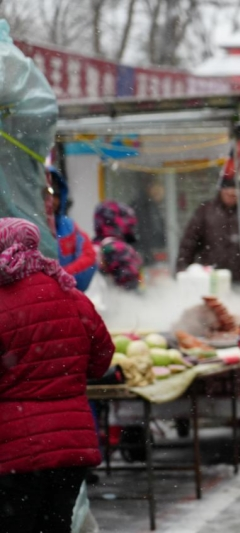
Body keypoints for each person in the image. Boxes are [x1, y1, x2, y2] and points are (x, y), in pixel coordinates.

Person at [0, 218, 114, 533]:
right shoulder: (70, 293)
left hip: (14, 447)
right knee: (56, 524)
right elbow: (102, 356)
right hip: (70, 444)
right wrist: (74, 373)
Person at [177, 165, 240, 293]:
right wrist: (182, 271)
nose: (231, 192)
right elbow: (188, 245)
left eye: (235, 188)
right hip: (212, 283)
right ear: (220, 188)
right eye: (227, 187)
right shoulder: (205, 211)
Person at [48, 166, 97, 291]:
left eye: (55, 195)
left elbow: (89, 257)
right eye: (46, 195)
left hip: (68, 299)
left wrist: (61, 277)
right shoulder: (25, 227)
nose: (51, 201)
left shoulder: (69, 227)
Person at [93, 200, 143, 291]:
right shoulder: (119, 248)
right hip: (121, 302)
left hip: (101, 300)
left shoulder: (94, 245)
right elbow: (129, 286)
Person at [130, 176, 167, 266]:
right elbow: (141, 232)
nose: (159, 192)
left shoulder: (152, 206)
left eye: (161, 188)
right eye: (156, 188)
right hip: (144, 256)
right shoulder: (142, 207)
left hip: (149, 255)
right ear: (149, 188)